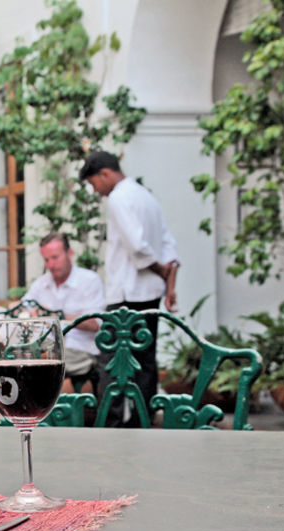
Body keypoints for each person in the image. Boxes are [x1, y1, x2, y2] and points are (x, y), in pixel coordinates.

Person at [79, 150, 179, 426]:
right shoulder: (146, 196)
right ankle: (140, 420)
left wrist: (158, 269)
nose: (96, 191)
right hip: (150, 295)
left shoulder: (119, 198)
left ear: (105, 174)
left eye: (93, 184)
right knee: (145, 360)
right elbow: (170, 247)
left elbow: (138, 247)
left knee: (111, 358)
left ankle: (111, 424)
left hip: (126, 294)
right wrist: (170, 285)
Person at [21, 232, 105, 393]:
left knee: (33, 362)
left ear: (70, 253)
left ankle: (37, 412)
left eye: (55, 257)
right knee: (22, 358)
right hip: (46, 348)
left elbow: (96, 323)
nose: (51, 265)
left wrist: (57, 315)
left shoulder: (89, 280)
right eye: (46, 260)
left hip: (81, 349)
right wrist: (30, 311)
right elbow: (23, 306)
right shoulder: (42, 283)